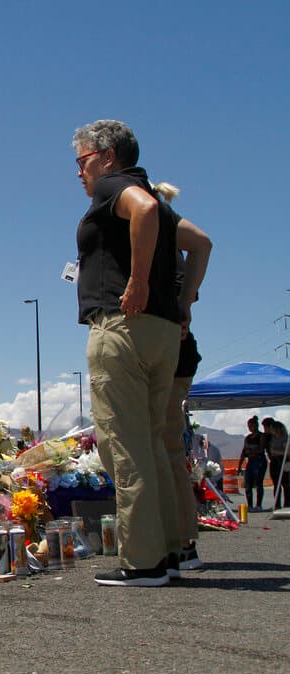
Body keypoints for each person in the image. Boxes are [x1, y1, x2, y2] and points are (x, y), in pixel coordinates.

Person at [72, 120, 183, 587]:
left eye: (82, 162)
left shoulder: (119, 188)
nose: (79, 173)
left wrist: (136, 281)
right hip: (161, 331)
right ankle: (171, 549)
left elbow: (143, 213)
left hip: (123, 328)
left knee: (124, 447)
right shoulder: (157, 196)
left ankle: (142, 562)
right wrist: (184, 301)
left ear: (107, 156)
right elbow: (201, 244)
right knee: (154, 445)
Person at [156, 181, 212, 574]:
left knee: (166, 444)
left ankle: (180, 542)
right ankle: (177, 540)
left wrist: (182, 304)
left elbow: (203, 242)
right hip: (176, 351)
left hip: (169, 351)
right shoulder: (166, 244)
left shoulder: (160, 227)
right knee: (166, 444)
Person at [236, 416, 267, 511]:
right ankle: (250, 505)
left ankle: (258, 505)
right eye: (248, 426)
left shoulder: (261, 436)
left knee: (258, 483)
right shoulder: (248, 438)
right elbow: (244, 451)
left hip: (259, 461)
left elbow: (261, 449)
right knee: (248, 484)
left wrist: (251, 452)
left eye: (250, 426)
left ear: (255, 425)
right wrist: (240, 465)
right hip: (250, 461)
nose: (249, 428)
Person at [262, 418, 289, 509]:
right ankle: (277, 505)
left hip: (284, 462)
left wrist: (276, 452)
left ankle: (287, 504)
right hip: (274, 462)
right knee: (276, 484)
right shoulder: (271, 438)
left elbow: (287, 452)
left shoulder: (285, 438)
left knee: (285, 484)